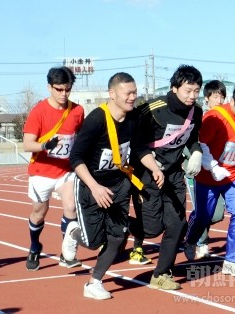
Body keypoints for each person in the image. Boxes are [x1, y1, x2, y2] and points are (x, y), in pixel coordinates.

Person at [61, 72, 164, 300]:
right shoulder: (96, 120)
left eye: (134, 92)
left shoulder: (134, 117)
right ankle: (73, 231)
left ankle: (94, 283)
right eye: (128, 93)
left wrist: (154, 168)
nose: (132, 97)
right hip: (91, 186)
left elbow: (139, 149)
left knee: (117, 238)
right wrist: (95, 188)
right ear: (112, 94)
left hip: (118, 184)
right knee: (93, 242)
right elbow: (76, 158)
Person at [129, 65, 204, 290]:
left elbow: (191, 138)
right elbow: (134, 140)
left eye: (196, 91)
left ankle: (161, 274)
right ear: (174, 88)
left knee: (178, 224)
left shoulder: (196, 112)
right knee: (152, 229)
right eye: (187, 91)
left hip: (173, 174)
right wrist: (149, 161)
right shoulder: (152, 109)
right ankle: (120, 225)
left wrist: (197, 152)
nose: (192, 96)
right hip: (147, 173)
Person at [183, 83, 235, 276]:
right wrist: (213, 167)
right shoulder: (215, 117)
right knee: (204, 215)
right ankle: (191, 240)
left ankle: (232, 260)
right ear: (233, 101)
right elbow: (201, 144)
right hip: (208, 176)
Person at [22, 66, 84, 271]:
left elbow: (82, 139)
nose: (64, 94)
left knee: (72, 207)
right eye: (59, 89)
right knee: (39, 213)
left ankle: (67, 254)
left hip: (66, 171)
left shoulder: (77, 110)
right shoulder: (38, 111)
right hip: (42, 171)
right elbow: (27, 144)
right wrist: (44, 146)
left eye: (67, 89)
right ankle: (34, 246)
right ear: (49, 87)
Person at [185, 80, 227, 259]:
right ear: (207, 98)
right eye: (215, 96)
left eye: (222, 96)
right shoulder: (200, 117)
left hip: (219, 172)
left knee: (216, 214)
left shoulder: (226, 119)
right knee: (204, 212)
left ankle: (193, 226)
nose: (219, 100)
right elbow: (188, 140)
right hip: (197, 172)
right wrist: (189, 159)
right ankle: (200, 242)